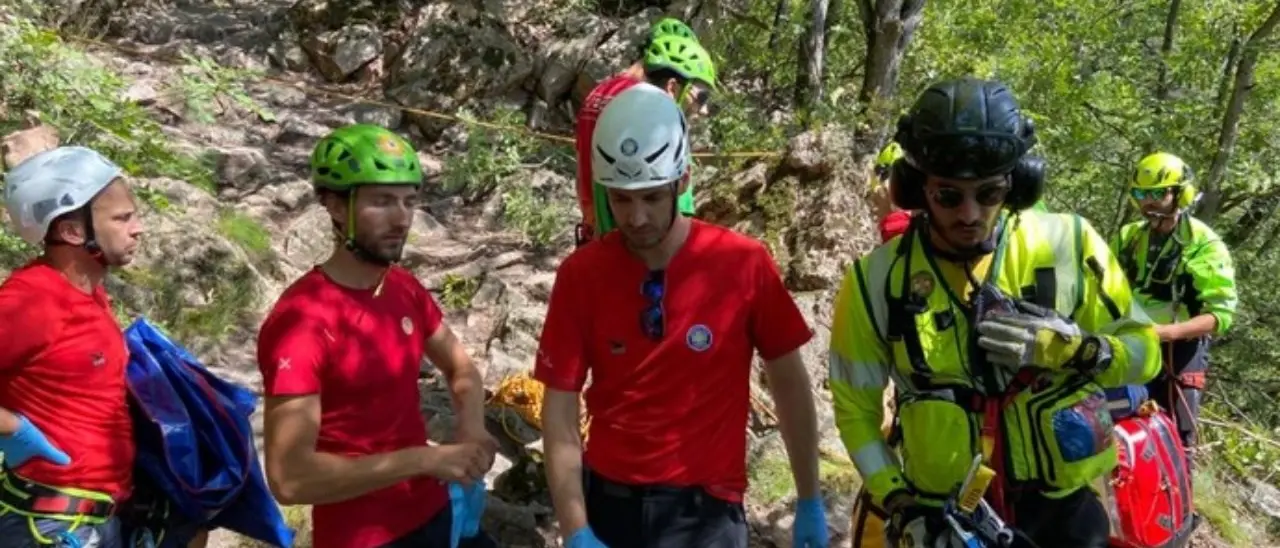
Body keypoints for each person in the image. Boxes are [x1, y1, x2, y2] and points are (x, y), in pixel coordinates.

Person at [827, 77, 1161, 548]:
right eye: (948, 196)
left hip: (1064, 511)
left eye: (989, 194)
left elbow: (1146, 354)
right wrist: (899, 502)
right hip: (942, 517)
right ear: (916, 188)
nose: (970, 214)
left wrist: (1077, 350)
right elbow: (855, 411)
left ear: (1017, 185)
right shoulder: (874, 281)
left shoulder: (1069, 244)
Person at [537, 83, 829, 548]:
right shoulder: (582, 275)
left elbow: (790, 384)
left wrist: (810, 499)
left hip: (706, 513)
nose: (636, 218)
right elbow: (559, 408)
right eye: (621, 199)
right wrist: (575, 529)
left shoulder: (742, 264)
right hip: (610, 504)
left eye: (652, 197)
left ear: (684, 181)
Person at [256, 124, 500, 548]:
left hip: (433, 510)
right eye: (382, 201)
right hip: (364, 537)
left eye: (409, 201)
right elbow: (289, 479)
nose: (402, 219)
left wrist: (472, 428)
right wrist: (425, 459)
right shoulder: (302, 321)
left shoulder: (402, 287)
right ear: (335, 206)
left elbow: (461, 369)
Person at [0, 146, 145, 546]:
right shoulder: (32, 300)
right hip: (47, 524)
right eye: (122, 218)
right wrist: (12, 429)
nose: (138, 228)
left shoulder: (88, 293)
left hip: (94, 518)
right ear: (72, 232)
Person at [1110, 152, 1237, 454]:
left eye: (1157, 194)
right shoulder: (1129, 237)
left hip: (1179, 350)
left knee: (1177, 439)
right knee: (1113, 423)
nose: (1147, 202)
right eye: (1140, 194)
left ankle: (1180, 484)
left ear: (1181, 194)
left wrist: (1166, 333)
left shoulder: (1204, 244)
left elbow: (1220, 316)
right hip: (1130, 343)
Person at [573, 17, 718, 247]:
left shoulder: (599, 93)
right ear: (673, 85)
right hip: (641, 243)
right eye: (700, 97)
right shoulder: (654, 117)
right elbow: (679, 204)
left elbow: (583, 170)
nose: (702, 109)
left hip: (597, 236)